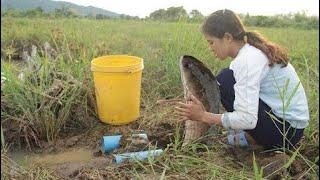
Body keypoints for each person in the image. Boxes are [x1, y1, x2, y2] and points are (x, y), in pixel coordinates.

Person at [175, 9, 309, 150]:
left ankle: (258, 141)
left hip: (284, 135)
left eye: (211, 42)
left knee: (225, 81)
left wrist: (203, 116)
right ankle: (253, 136)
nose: (211, 48)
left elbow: (248, 119)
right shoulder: (250, 52)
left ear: (227, 37)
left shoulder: (247, 60)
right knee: (226, 79)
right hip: (292, 129)